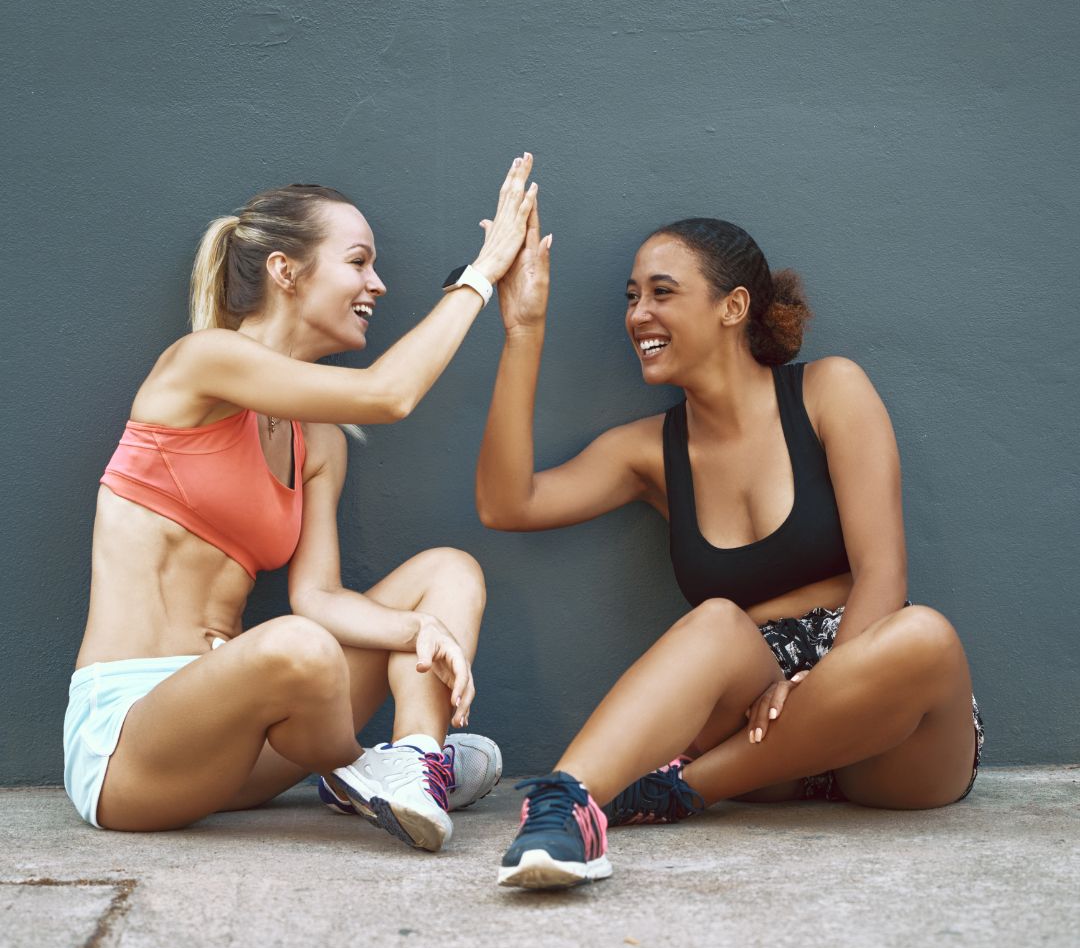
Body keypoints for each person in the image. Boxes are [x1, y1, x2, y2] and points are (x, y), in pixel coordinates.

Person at [476, 206, 984, 889]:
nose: (638, 315)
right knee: (715, 620)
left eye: (662, 292)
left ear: (733, 306)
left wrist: (818, 685)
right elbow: (507, 504)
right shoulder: (649, 451)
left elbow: (882, 571)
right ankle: (565, 808)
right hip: (755, 720)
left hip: (881, 723)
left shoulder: (829, 391)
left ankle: (675, 791)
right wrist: (523, 329)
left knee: (925, 637)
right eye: (632, 297)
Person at [64, 154, 540, 852]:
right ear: (285, 271)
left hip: (245, 747)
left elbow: (317, 596)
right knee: (297, 644)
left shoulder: (318, 440)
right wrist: (483, 273)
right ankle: (355, 768)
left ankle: (414, 762)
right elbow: (388, 395)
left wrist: (418, 627)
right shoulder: (201, 362)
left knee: (448, 573)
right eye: (358, 262)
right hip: (132, 746)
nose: (377, 284)